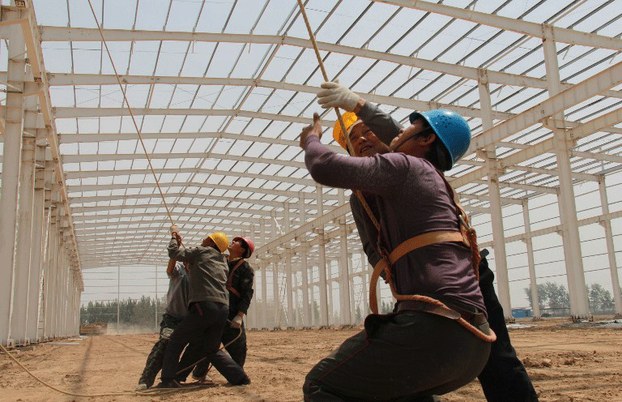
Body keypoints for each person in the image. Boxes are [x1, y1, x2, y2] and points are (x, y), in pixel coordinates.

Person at [321, 82, 539, 402]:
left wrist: (358, 105)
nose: (364, 139)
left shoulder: (413, 159)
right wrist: (395, 276)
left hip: (467, 269)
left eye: (368, 132)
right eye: (354, 139)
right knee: (412, 367)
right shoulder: (361, 195)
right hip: (416, 281)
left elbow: (403, 132)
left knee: (497, 359)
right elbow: (372, 245)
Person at [299, 102, 493, 400]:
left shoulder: (404, 166)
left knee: (321, 384)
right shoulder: (431, 175)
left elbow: (324, 166)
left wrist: (312, 139)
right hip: (472, 343)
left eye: (407, 129)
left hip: (433, 328)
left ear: (426, 139)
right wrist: (357, 105)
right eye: (354, 139)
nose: (399, 131)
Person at [155, 228, 250, 388]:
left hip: (204, 306)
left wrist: (173, 236)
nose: (203, 239)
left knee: (176, 340)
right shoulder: (222, 262)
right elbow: (203, 275)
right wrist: (190, 266)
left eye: (207, 238)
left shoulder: (201, 251)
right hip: (222, 310)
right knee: (211, 349)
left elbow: (173, 252)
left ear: (212, 243)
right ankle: (239, 377)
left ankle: (168, 379)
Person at [182, 236, 255, 382]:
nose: (232, 242)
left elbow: (247, 294)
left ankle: (237, 373)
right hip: (215, 308)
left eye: (236, 242)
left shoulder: (246, 269)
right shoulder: (219, 259)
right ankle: (198, 373)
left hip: (232, 313)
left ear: (242, 249)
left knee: (238, 347)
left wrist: (240, 315)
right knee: (204, 344)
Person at [136, 260, 189, 390]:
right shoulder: (179, 268)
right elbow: (169, 270)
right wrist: (174, 253)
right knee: (164, 345)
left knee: (201, 344)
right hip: (172, 317)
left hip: (190, 319)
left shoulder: (200, 271)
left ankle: (188, 375)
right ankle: (146, 380)